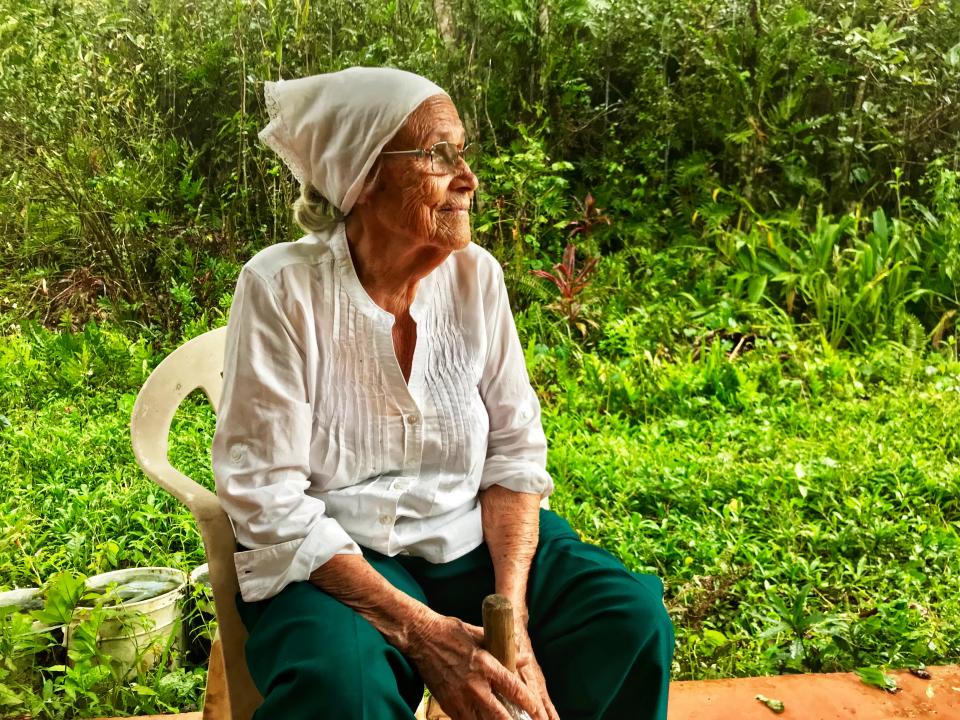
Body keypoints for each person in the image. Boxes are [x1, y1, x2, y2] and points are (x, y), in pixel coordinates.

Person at [212, 67, 673, 720]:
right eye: (437, 156)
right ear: (363, 175)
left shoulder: (475, 276)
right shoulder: (282, 289)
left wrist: (511, 617)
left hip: (470, 540)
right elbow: (266, 497)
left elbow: (514, 450)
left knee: (627, 621)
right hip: (334, 560)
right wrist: (423, 632)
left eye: (463, 153)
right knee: (345, 694)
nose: (468, 179)